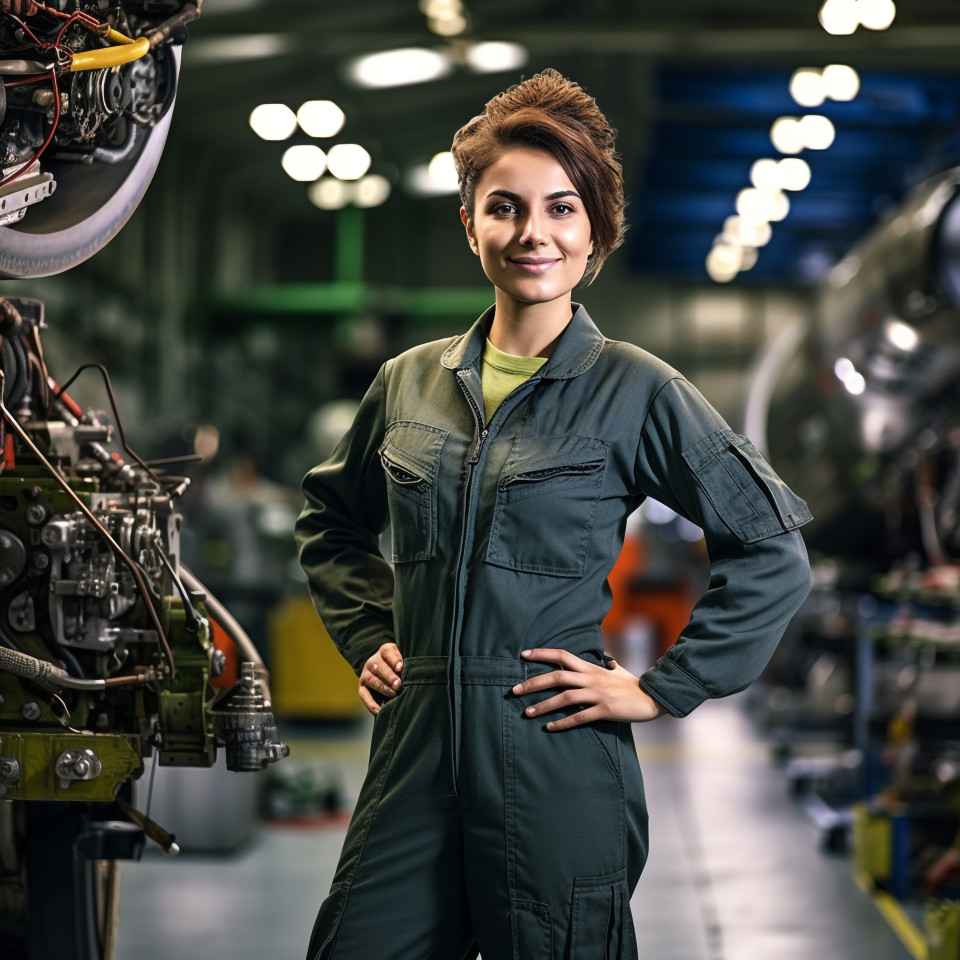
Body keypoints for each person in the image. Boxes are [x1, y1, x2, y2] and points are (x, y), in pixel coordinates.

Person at [295, 67, 812, 960]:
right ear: (470, 225)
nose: (533, 232)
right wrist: (368, 630)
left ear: (594, 230)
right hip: (413, 753)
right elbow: (329, 522)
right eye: (505, 207)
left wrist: (658, 688)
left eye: (562, 208)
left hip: (553, 758)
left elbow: (772, 553)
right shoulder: (407, 382)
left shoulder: (641, 391)